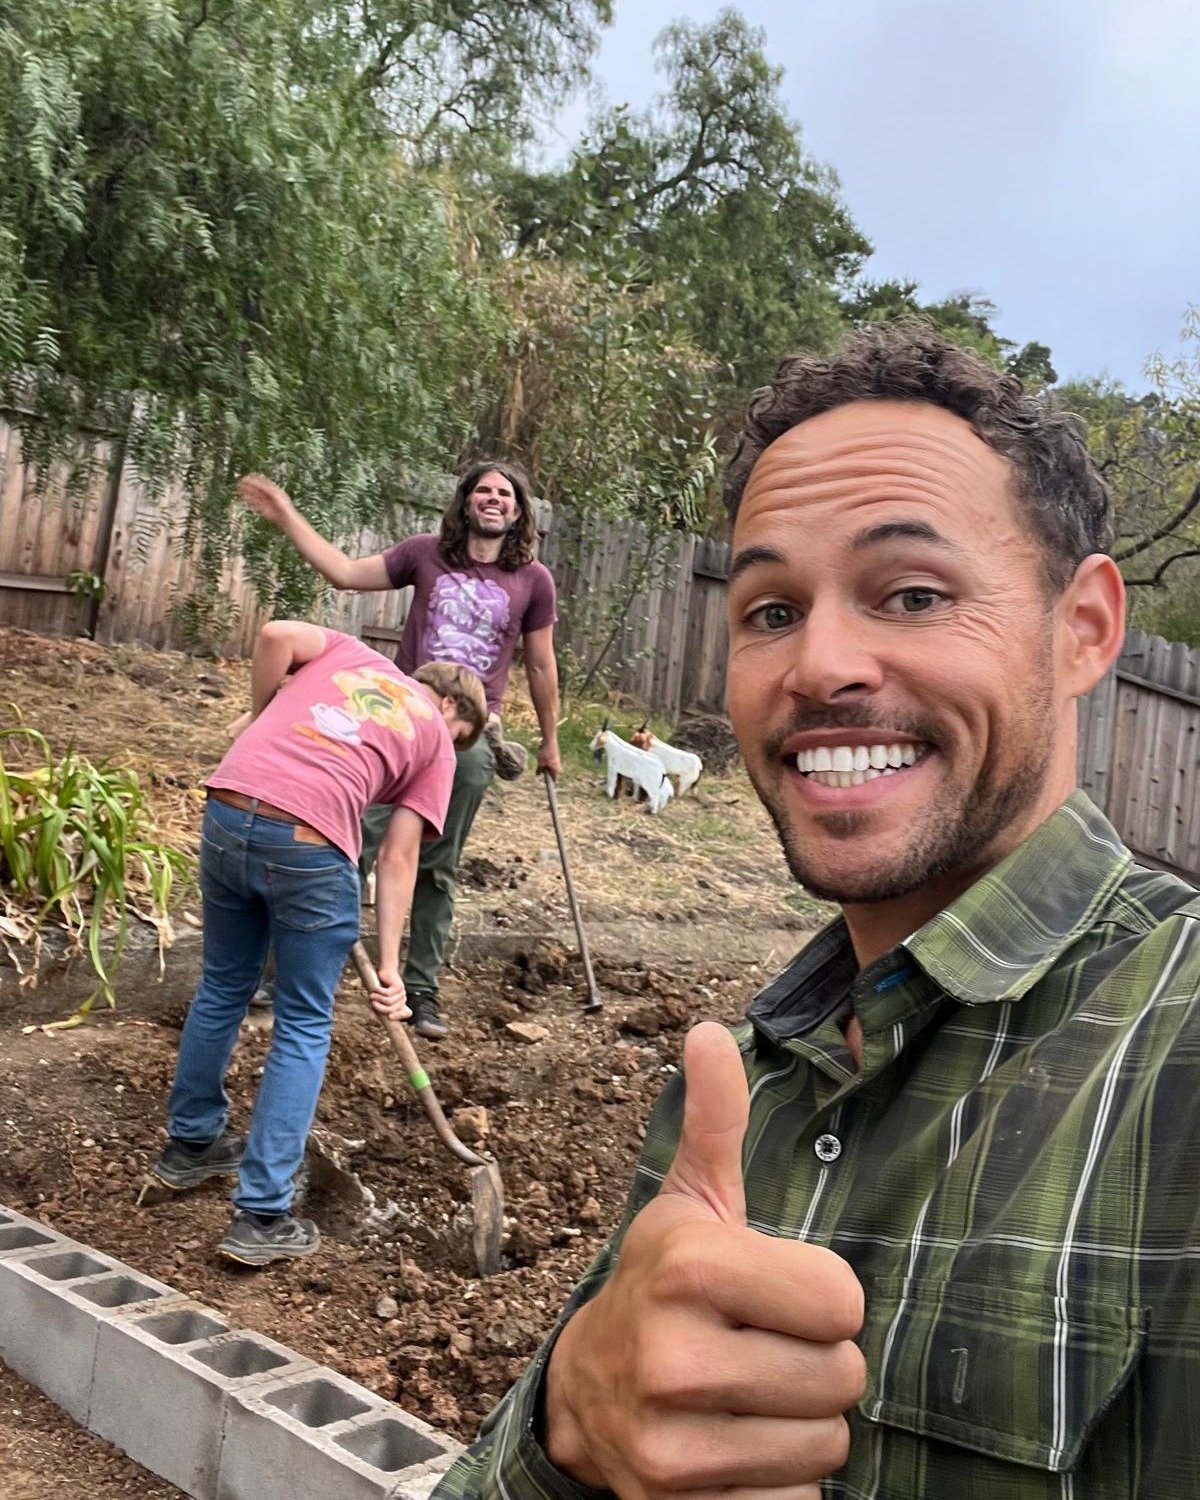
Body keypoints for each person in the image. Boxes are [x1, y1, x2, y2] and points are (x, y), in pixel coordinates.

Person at [434, 322, 1200, 1499]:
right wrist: (566, 1422)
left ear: (1084, 629)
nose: (819, 665)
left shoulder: (1176, 1045)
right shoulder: (733, 1082)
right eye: (772, 611)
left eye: (911, 592)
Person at [152, 621, 486, 1266]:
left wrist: (259, 720)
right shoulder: (436, 742)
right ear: (450, 706)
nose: (453, 747)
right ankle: (262, 1214)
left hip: (228, 806)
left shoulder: (348, 655)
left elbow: (275, 633)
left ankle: (189, 1148)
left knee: (225, 983)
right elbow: (397, 857)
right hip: (307, 848)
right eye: (461, 738)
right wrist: (391, 969)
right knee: (304, 1021)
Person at [238, 463, 560, 1041]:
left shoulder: (533, 580)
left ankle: (421, 990)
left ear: (517, 512)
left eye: (504, 493)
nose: (493, 498)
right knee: (346, 841)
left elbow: (539, 663)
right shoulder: (425, 553)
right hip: (397, 725)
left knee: (435, 866)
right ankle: (287, 969)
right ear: (466, 503)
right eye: (483, 490)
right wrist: (286, 514)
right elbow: (342, 573)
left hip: (469, 738)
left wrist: (551, 740)